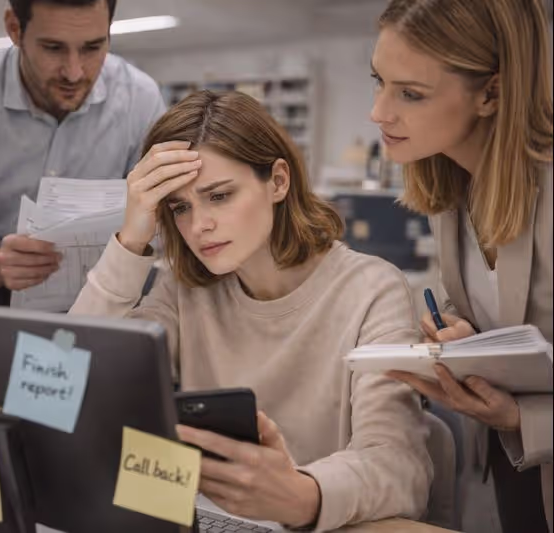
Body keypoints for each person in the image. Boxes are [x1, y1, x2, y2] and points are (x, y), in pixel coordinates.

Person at [69, 90, 432, 530]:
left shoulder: (371, 288)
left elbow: (399, 466)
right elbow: (72, 378)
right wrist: (131, 239)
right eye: (179, 207)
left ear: (278, 181)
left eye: (219, 196)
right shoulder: (186, 289)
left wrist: (302, 494)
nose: (198, 225)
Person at [369, 0, 553, 531]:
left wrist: (525, 417)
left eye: (410, 93)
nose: (378, 111)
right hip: (510, 466)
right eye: (378, 81)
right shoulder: (453, 187)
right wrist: (464, 332)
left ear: (491, 93)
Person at [0, 0, 166, 302]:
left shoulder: (140, 99)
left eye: (92, 48)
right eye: (53, 48)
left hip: (107, 297)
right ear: (15, 29)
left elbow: (161, 222)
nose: (74, 72)